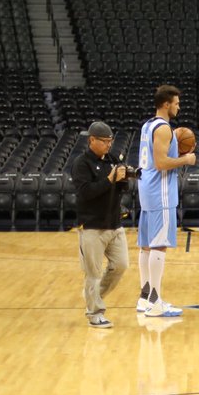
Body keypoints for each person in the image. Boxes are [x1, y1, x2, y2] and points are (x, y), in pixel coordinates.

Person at [137, 85, 196, 318]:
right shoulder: (163, 128)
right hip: (160, 192)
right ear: (166, 104)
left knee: (146, 245)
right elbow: (161, 163)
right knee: (159, 245)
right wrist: (186, 159)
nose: (178, 106)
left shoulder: (147, 125)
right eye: (176, 103)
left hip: (147, 190)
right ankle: (156, 302)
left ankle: (144, 298)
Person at [71, 122, 130, 327]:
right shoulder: (81, 163)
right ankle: (95, 313)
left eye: (110, 141)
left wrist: (125, 177)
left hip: (114, 224)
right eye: (104, 141)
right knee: (93, 274)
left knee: (121, 265)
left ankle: (93, 296)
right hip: (92, 227)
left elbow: (122, 187)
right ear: (92, 140)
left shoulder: (113, 159)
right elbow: (87, 192)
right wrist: (111, 178)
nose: (108, 145)